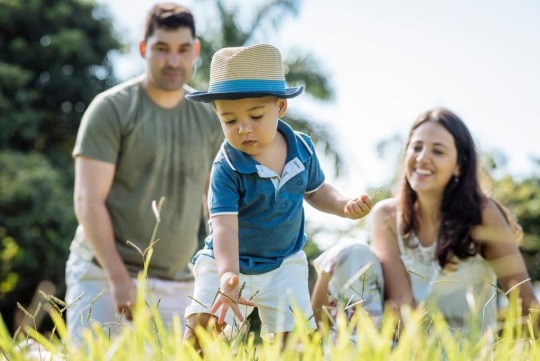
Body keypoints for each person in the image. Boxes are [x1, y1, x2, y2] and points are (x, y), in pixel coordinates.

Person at [181, 43, 374, 349]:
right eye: (229, 121)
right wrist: (228, 275)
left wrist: (342, 205)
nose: (244, 129)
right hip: (228, 261)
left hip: (283, 263)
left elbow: (316, 190)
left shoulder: (303, 149)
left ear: (280, 107)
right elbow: (224, 226)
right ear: (216, 114)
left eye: (256, 116)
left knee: (296, 343)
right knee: (204, 332)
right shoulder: (227, 166)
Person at [64, 2, 223, 343]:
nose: (173, 61)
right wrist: (119, 279)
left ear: (195, 51)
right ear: (142, 49)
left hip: (181, 283)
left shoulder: (210, 118)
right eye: (161, 49)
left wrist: (216, 278)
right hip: (103, 274)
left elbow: (216, 204)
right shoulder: (111, 109)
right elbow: (88, 199)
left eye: (183, 50)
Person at [311, 107, 539, 339]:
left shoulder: (482, 213)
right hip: (409, 342)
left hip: (466, 348)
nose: (422, 158)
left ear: (459, 164)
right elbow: (401, 305)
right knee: (349, 253)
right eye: (416, 147)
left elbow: (523, 299)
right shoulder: (387, 215)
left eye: (438, 151)